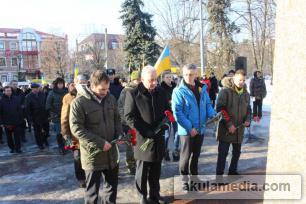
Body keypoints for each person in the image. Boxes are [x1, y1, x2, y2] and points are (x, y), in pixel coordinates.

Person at [70, 70, 122, 204]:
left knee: (111, 189)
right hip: (93, 156)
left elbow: (117, 119)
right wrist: (100, 143)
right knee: (92, 192)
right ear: (92, 86)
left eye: (107, 88)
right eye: (102, 89)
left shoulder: (111, 99)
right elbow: (76, 129)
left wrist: (119, 134)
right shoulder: (79, 102)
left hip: (111, 153)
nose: (105, 92)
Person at [124, 65, 170, 204]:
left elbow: (168, 110)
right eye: (151, 80)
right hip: (143, 138)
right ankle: (142, 196)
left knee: (156, 168)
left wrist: (165, 123)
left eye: (155, 79)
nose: (154, 83)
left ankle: (155, 195)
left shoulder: (161, 92)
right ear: (142, 79)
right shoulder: (133, 94)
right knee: (142, 170)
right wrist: (145, 130)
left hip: (158, 137)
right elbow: (129, 117)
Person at [172, 64, 216, 179]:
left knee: (196, 156)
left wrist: (212, 114)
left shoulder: (202, 88)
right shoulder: (178, 90)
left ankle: (195, 177)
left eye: (191, 74)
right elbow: (178, 113)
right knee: (185, 157)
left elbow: (207, 104)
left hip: (200, 127)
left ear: (196, 74)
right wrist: (189, 128)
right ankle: (185, 179)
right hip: (187, 131)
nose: (188, 77)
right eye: (186, 74)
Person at [215, 69, 251, 176]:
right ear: (234, 78)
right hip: (226, 130)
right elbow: (220, 109)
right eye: (239, 80)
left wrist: (248, 120)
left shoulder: (246, 93)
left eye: (243, 80)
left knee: (236, 153)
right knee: (223, 154)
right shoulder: (225, 91)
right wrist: (229, 124)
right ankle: (219, 176)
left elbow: (248, 108)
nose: (242, 82)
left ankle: (232, 171)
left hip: (239, 130)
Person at [61, 75, 88, 188]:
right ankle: (81, 178)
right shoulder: (68, 97)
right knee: (77, 158)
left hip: (89, 134)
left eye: (84, 82)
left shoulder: (90, 94)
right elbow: (64, 118)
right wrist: (66, 136)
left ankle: (90, 175)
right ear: (75, 83)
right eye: (80, 82)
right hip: (74, 135)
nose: (83, 84)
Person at [117, 71, 140, 175]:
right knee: (131, 145)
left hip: (139, 123)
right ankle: (131, 165)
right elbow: (121, 108)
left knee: (138, 145)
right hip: (128, 124)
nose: (138, 82)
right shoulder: (126, 91)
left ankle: (138, 163)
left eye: (140, 80)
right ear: (132, 80)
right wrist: (128, 122)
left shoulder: (141, 90)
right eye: (136, 80)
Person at [160, 71, 179, 162]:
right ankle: (165, 151)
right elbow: (160, 101)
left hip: (175, 112)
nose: (169, 79)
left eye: (170, 77)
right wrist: (168, 101)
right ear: (163, 78)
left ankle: (175, 151)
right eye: (167, 77)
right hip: (166, 114)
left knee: (177, 133)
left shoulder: (175, 87)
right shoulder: (160, 88)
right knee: (166, 135)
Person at [46, 77, 68, 154]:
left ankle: (68, 145)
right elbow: (48, 105)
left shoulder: (67, 91)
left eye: (62, 83)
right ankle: (61, 147)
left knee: (67, 131)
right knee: (59, 132)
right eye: (59, 84)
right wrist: (55, 113)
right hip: (57, 116)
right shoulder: (51, 93)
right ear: (56, 84)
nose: (60, 85)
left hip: (67, 115)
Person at [25, 83, 49, 149]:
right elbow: (27, 109)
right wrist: (30, 120)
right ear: (32, 89)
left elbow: (46, 104)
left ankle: (45, 140)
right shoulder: (28, 97)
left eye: (38, 88)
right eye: (36, 88)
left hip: (44, 115)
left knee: (46, 130)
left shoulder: (43, 94)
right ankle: (40, 144)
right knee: (37, 132)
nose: (37, 89)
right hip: (35, 117)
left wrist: (48, 114)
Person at [0, 86, 24, 153]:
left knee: (17, 136)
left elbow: (19, 110)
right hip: (7, 122)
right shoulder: (1, 101)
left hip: (16, 121)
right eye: (7, 91)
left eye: (10, 90)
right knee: (9, 137)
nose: (9, 92)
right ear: (4, 92)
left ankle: (18, 148)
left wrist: (21, 119)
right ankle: (12, 148)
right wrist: (1, 123)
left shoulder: (16, 99)